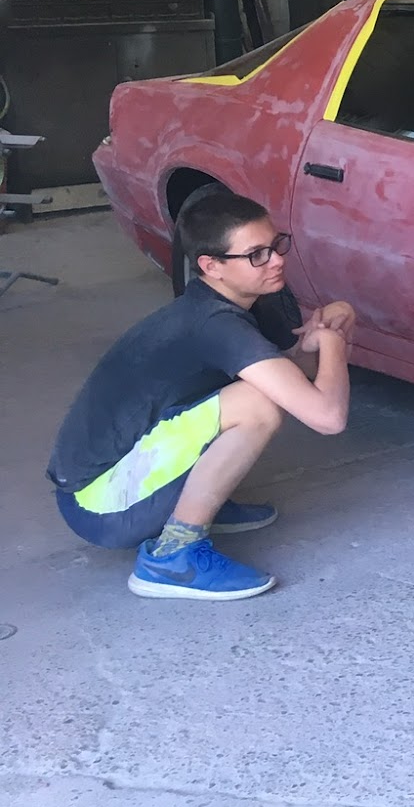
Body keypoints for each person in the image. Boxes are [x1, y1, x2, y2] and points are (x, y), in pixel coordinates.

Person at [47, 192, 354, 601]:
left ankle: (198, 499)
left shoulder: (237, 300)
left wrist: (319, 336)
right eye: (256, 255)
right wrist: (332, 345)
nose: (276, 260)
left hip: (115, 477)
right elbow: (328, 417)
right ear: (211, 266)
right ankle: (172, 555)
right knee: (256, 405)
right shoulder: (214, 325)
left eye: (276, 245)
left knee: (258, 394)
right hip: (98, 505)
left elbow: (287, 377)